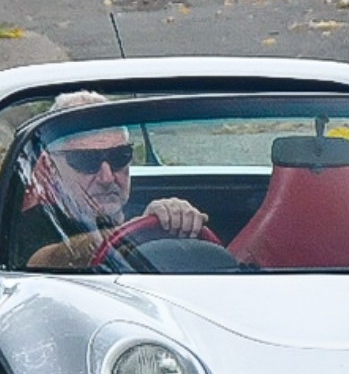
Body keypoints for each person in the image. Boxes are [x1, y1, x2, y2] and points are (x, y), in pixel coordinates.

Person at [16, 96, 212, 270]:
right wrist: (137, 237)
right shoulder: (30, 224)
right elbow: (42, 260)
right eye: (86, 161)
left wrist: (179, 220)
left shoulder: (146, 211)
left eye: (120, 156)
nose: (107, 177)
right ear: (51, 168)